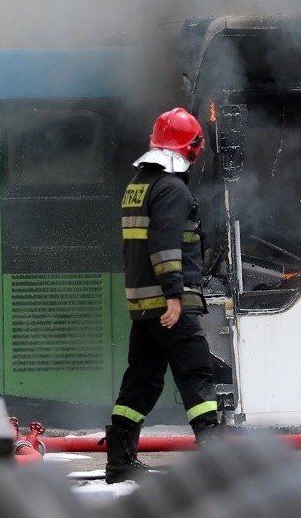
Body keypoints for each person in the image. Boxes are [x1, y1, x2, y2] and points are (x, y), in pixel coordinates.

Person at [105, 106, 221, 484]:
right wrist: (174, 296)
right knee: (196, 373)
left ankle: (120, 461)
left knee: (142, 380)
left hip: (143, 304)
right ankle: (219, 464)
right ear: (188, 148)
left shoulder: (139, 184)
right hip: (170, 303)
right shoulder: (172, 188)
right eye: (196, 146)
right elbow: (165, 245)